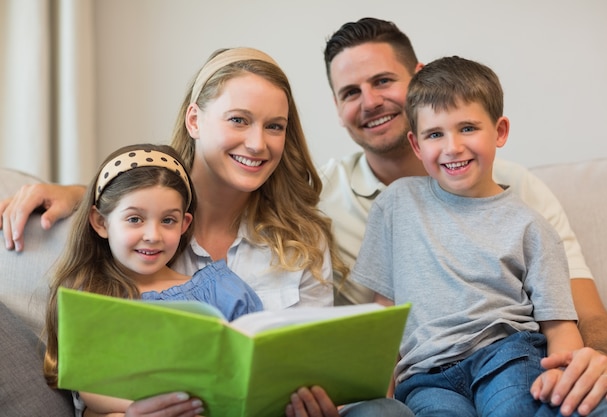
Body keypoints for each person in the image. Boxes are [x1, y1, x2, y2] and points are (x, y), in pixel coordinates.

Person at [0, 48, 411, 417]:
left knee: (384, 412)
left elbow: (312, 367)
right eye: (238, 120)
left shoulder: (302, 238)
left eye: (275, 126)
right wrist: (76, 192)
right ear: (195, 119)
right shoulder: (134, 240)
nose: (257, 143)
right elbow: (91, 392)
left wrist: (321, 401)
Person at [317, 17, 607, 416]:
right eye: (350, 92)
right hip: (425, 372)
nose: (370, 101)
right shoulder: (360, 203)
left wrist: (574, 370)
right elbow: (385, 319)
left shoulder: (525, 209)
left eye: (382, 81)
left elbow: (570, 317)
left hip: (506, 355)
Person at [43, 143, 264, 415]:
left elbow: (260, 366)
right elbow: (95, 392)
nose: (153, 235)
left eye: (168, 221)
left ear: (184, 224)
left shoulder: (221, 289)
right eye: (135, 219)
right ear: (101, 223)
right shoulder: (91, 298)